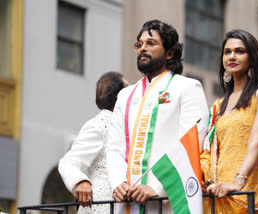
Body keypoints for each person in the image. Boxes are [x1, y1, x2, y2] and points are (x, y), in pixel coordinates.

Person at [106, 19, 208, 213]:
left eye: (150, 43)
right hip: (127, 203)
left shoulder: (187, 87)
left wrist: (158, 188)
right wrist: (118, 183)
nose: (142, 49)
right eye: (139, 44)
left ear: (170, 53)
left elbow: (193, 146)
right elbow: (113, 148)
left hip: (168, 203)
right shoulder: (125, 95)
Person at [200, 29, 258, 213]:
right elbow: (211, 151)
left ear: (252, 58)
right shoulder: (219, 104)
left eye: (239, 51)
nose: (232, 56)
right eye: (227, 52)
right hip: (219, 195)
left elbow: (255, 142)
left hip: (248, 195)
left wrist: (237, 182)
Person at [58, 72, 128, 214]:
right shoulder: (99, 124)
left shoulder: (128, 125)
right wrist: (80, 181)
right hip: (101, 206)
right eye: (127, 91)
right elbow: (69, 162)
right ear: (118, 96)